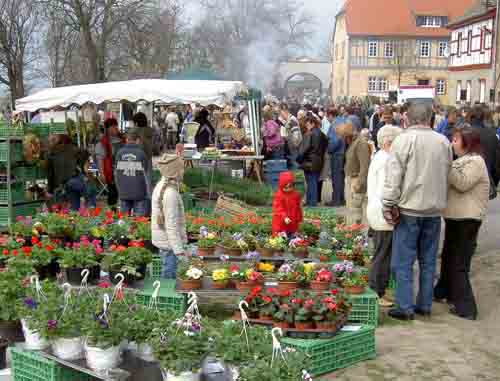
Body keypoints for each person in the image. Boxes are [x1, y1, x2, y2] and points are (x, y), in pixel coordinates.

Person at [383, 102, 452, 321]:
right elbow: (447, 172)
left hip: (409, 208)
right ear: (430, 118)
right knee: (428, 260)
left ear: (408, 118)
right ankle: (424, 304)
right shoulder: (443, 141)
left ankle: (405, 306)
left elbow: (394, 176)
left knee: (402, 261)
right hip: (433, 209)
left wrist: (388, 203)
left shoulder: (404, 140)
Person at [433, 126, 490, 320]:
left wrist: (447, 165)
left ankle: (466, 307)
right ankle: (443, 291)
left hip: (468, 219)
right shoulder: (461, 161)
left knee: (459, 263)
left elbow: (463, 183)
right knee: (448, 257)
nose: (452, 143)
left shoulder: (476, 161)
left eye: (456, 140)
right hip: (455, 217)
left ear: (467, 142)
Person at [367, 125, 402, 307]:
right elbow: (386, 189)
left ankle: (378, 290)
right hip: (383, 212)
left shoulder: (380, 157)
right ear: (389, 142)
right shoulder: (386, 159)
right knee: (382, 254)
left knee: (382, 252)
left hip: (378, 210)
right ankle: (375, 292)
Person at [152, 154, 187, 279]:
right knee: (169, 280)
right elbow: (171, 226)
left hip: (166, 242)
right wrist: (179, 251)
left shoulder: (163, 186)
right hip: (170, 246)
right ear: (175, 172)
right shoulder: (170, 193)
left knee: (167, 275)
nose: (184, 171)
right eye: (182, 168)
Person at [338, 121, 371, 225]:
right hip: (351, 178)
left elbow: (365, 166)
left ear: (348, 135)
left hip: (356, 179)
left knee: (355, 209)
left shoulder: (360, 144)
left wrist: (359, 183)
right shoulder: (353, 142)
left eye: (343, 136)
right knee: (351, 207)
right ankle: (353, 231)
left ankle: (356, 232)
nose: (342, 139)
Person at [114, 130, 149, 216]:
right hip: (139, 192)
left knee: (124, 221)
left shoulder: (119, 153)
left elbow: (116, 173)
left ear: (126, 140)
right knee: (139, 221)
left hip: (123, 192)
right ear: (137, 140)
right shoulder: (141, 153)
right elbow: (146, 172)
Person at [297, 113, 327, 207]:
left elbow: (303, 150)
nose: (306, 125)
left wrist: (299, 159)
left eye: (307, 123)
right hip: (319, 161)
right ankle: (311, 203)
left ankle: (312, 204)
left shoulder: (309, 134)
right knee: (313, 182)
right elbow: (326, 145)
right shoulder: (322, 134)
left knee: (311, 183)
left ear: (312, 123)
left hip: (309, 161)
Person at [95, 118, 123, 207]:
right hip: (111, 173)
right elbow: (100, 159)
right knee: (113, 194)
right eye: (112, 126)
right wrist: (102, 173)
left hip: (124, 171)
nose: (115, 128)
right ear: (107, 128)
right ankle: (113, 214)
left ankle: (124, 213)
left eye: (116, 126)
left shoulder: (123, 139)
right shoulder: (102, 142)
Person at [47, 134, 79, 204]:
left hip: (60, 187)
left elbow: (50, 175)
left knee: (62, 210)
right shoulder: (76, 151)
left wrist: (50, 191)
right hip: (74, 184)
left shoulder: (52, 155)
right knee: (75, 208)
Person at [271, 171, 303, 236]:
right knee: (281, 236)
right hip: (281, 221)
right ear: (281, 186)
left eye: (290, 187)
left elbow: (298, 207)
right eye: (286, 187)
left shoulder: (295, 195)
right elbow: (278, 208)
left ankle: (291, 239)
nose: (288, 189)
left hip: (292, 220)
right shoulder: (279, 195)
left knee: (292, 234)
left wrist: (299, 217)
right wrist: (284, 217)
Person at [327, 109, 346, 207]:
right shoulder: (343, 120)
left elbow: (335, 141)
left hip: (336, 154)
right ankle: (341, 199)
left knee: (336, 178)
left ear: (331, 115)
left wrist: (329, 149)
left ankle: (336, 200)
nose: (327, 119)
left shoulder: (335, 124)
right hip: (343, 153)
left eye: (327, 116)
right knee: (341, 178)